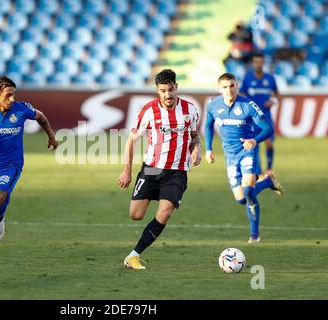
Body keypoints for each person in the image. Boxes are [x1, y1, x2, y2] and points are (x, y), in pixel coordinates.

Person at [118, 69, 202, 270]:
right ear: (157, 90)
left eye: (171, 89)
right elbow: (131, 140)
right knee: (135, 215)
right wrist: (127, 170)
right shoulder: (148, 110)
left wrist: (196, 148)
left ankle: (133, 255)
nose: (168, 95)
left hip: (177, 172)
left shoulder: (190, 110)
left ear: (176, 87)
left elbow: (194, 136)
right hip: (152, 169)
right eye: (163, 90)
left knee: (164, 213)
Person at [0, 76, 58, 264]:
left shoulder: (21, 108)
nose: (12, 99)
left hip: (11, 165)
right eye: (8, 95)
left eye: (14, 95)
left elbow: (41, 117)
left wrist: (51, 136)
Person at [204, 73, 284, 243]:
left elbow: (268, 129)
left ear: (237, 86)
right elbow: (208, 125)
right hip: (230, 156)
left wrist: (254, 140)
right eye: (225, 87)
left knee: (248, 190)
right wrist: (209, 149)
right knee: (241, 199)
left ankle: (254, 235)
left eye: (232, 86)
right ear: (219, 89)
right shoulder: (213, 105)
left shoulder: (248, 105)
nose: (229, 90)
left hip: (248, 152)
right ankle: (267, 181)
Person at [240, 52, 280, 176]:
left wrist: (273, 100)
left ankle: (269, 168)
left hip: (266, 116)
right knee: (253, 144)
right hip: (252, 117)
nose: (258, 64)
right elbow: (241, 93)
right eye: (256, 62)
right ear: (253, 63)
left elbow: (277, 93)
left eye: (260, 62)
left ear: (263, 63)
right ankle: (257, 171)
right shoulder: (248, 78)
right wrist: (247, 103)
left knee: (269, 143)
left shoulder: (270, 78)